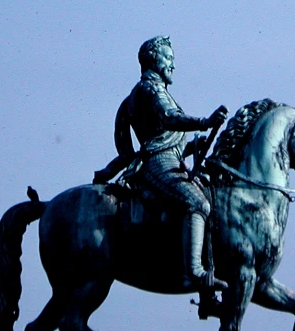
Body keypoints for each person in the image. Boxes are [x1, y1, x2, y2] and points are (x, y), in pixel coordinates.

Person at [94, 36, 228, 290]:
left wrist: (193, 146)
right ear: (154, 59)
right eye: (169, 58)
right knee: (197, 203)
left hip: (167, 159)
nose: (173, 65)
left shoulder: (150, 91)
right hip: (158, 164)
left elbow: (160, 139)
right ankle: (194, 273)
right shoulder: (150, 89)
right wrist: (205, 122)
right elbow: (170, 118)